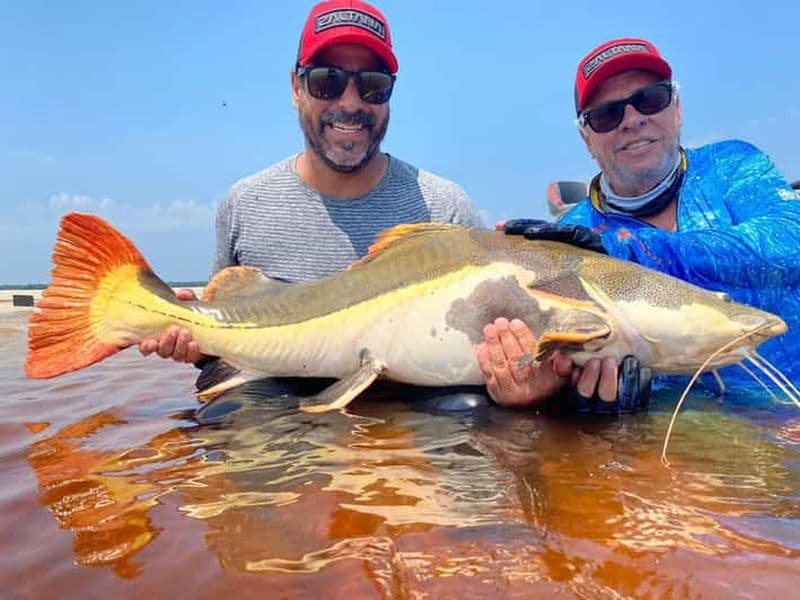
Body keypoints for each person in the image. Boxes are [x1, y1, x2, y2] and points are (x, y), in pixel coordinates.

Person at [139, 0, 482, 366]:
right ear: (296, 88)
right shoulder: (245, 204)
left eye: (373, 85)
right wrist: (192, 340)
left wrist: (518, 383)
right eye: (327, 81)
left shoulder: (445, 209)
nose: (350, 102)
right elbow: (221, 346)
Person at [484, 37, 800, 409]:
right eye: (607, 115)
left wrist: (625, 252)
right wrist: (552, 396)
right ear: (587, 139)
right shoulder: (572, 234)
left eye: (651, 99)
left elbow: (789, 241)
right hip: (678, 430)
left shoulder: (730, 165)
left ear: (677, 108)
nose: (633, 120)